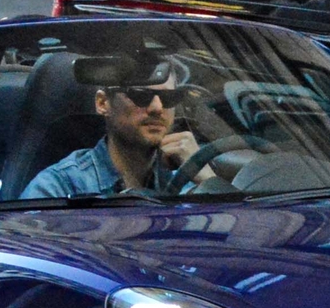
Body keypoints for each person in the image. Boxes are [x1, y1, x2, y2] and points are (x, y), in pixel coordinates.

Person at [21, 54, 220, 200]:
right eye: (140, 96)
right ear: (103, 103)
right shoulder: (60, 187)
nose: (157, 108)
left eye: (169, 98)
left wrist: (207, 180)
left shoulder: (189, 177)